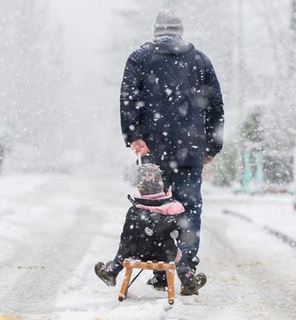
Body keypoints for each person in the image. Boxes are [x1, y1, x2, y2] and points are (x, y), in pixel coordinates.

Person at [119, 9, 225, 292]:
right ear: (180, 32)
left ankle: (160, 268)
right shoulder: (200, 60)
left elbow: (129, 99)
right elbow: (215, 106)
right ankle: (186, 269)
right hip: (190, 150)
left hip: (152, 151)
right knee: (188, 210)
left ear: (156, 31)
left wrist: (134, 136)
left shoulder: (139, 58)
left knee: (155, 211)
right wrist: (212, 145)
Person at [94, 164, 207, 295]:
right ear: (161, 184)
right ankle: (189, 283)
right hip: (165, 253)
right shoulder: (173, 209)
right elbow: (184, 236)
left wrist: (122, 255)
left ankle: (111, 272)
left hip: (137, 252)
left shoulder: (135, 210)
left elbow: (126, 239)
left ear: (139, 187)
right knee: (179, 255)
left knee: (125, 246)